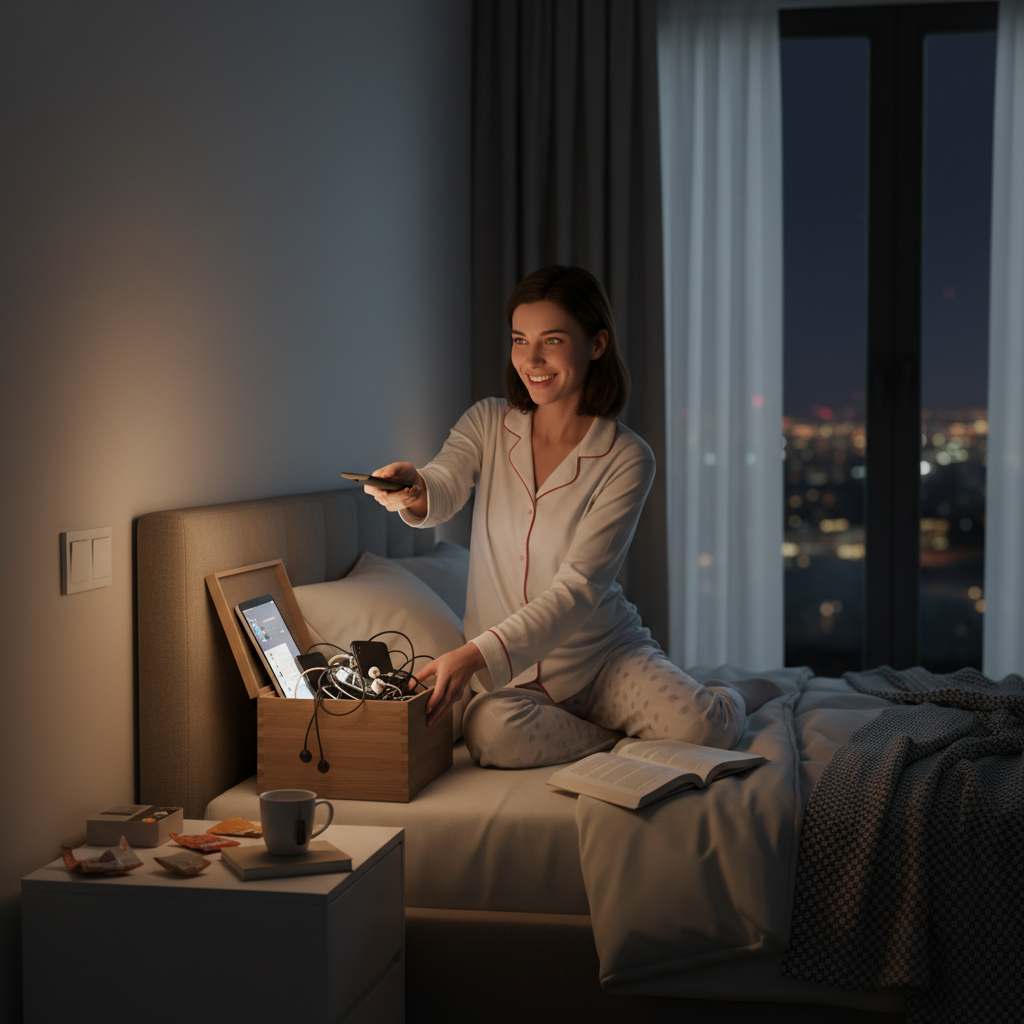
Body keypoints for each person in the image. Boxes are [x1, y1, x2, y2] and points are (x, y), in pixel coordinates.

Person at [365, 265, 781, 768]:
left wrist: (475, 654)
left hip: (602, 656)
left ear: (597, 344)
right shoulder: (488, 423)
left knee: (705, 729)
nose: (532, 359)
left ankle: (736, 691)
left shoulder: (627, 457)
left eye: (552, 340)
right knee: (490, 734)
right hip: (512, 679)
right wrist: (415, 490)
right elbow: (445, 484)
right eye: (520, 340)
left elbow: (579, 587)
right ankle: (611, 732)